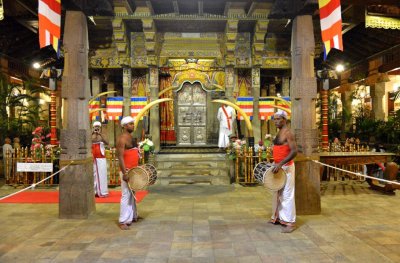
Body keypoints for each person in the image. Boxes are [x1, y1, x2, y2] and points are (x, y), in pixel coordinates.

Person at [270, 110, 298, 233]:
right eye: (274, 119)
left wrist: (281, 163)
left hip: (286, 168)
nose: (276, 121)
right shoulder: (279, 132)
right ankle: (280, 218)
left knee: (287, 195)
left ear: (284, 119)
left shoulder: (288, 133)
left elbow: (294, 151)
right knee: (278, 194)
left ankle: (290, 223)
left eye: (278, 119)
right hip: (278, 167)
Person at [116, 116, 141, 230]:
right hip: (127, 170)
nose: (133, 125)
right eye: (131, 124)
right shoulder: (122, 138)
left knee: (133, 193)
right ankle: (123, 221)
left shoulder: (130, 136)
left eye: (133, 123)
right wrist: (124, 173)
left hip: (134, 169)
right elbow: (120, 156)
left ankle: (132, 216)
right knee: (126, 194)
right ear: (125, 126)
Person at [92, 121, 109, 198]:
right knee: (93, 174)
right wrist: (93, 133)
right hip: (92, 157)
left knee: (102, 174)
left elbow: (107, 142)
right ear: (93, 127)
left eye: (98, 127)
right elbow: (88, 141)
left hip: (100, 156)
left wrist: (100, 134)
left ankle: (102, 191)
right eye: (95, 127)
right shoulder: (91, 134)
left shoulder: (102, 134)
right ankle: (94, 191)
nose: (96, 128)